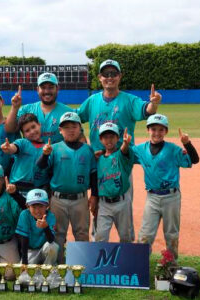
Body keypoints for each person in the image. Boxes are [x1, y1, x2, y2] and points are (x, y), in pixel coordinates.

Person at [77, 59, 162, 240]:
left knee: (124, 202)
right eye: (105, 74)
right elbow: (75, 120)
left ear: (119, 76)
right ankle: (97, 244)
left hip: (122, 162)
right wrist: (82, 140)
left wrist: (153, 104)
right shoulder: (92, 101)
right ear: (100, 78)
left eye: (113, 74)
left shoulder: (129, 100)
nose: (110, 77)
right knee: (98, 204)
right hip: (99, 162)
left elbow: (146, 110)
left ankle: (127, 245)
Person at [133, 114, 199, 259]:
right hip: (152, 197)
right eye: (154, 129)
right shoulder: (140, 149)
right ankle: (140, 265)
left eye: (161, 130)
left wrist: (187, 143)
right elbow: (124, 156)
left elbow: (194, 160)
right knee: (145, 234)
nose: (157, 133)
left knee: (171, 234)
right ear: (148, 130)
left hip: (171, 197)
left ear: (166, 132)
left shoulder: (174, 150)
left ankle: (171, 265)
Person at [37, 112, 97, 263]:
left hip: (80, 198)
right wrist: (45, 155)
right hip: (58, 199)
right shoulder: (54, 148)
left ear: (80, 129)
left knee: (82, 233)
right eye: (67, 127)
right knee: (58, 234)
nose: (71, 130)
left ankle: (81, 267)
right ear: (60, 130)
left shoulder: (87, 150)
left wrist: (94, 195)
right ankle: (59, 267)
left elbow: (93, 174)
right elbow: (41, 167)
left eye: (74, 126)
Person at [5, 72, 74, 144]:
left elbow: (78, 137)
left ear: (57, 89)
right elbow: (9, 129)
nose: (47, 91)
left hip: (58, 154)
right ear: (38, 90)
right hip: (31, 154)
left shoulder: (67, 112)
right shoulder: (26, 109)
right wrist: (14, 107)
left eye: (51, 87)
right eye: (43, 88)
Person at [94, 122, 134, 243]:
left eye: (112, 136)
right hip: (104, 204)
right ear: (101, 139)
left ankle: (127, 261)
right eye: (105, 137)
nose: (109, 140)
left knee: (125, 236)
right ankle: (101, 261)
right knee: (100, 236)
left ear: (118, 138)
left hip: (122, 202)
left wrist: (125, 144)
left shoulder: (122, 155)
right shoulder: (98, 158)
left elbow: (123, 151)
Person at [1, 113, 50, 197]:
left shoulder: (48, 148)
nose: (32, 131)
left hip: (37, 191)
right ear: (23, 134)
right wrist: (9, 148)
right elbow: (14, 148)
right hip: (16, 188)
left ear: (39, 125)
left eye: (33, 127)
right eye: (27, 131)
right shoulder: (22, 143)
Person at [15, 189, 59, 265]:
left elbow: (51, 240)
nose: (37, 210)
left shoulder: (51, 216)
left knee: (53, 247)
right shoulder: (24, 215)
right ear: (28, 206)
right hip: (31, 250)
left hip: (44, 249)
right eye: (34, 206)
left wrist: (45, 227)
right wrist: (24, 263)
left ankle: (49, 270)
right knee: (24, 276)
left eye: (41, 206)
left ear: (47, 206)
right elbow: (23, 239)